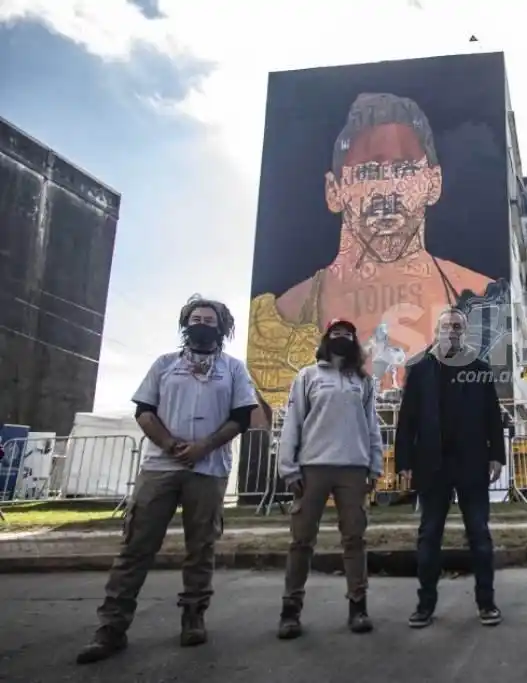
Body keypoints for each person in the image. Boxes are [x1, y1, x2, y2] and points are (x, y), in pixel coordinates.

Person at [247, 91, 501, 410]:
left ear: (433, 183)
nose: (387, 188)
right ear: (334, 190)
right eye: (367, 172)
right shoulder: (276, 324)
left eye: (405, 169)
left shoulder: (485, 296)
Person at [76, 296, 258, 665]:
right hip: (160, 467)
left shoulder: (234, 369)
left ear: (221, 327)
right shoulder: (164, 365)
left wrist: (203, 447)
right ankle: (111, 628)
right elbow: (144, 411)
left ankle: (193, 617)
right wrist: (171, 444)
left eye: (209, 319)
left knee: (201, 547)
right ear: (185, 324)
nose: (201, 323)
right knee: (135, 547)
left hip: (208, 470)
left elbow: (241, 417)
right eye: (195, 318)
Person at [395, 308, 505, 628]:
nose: (452, 331)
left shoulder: (479, 368)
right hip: (431, 466)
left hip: (471, 464)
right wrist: (404, 461)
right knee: (429, 535)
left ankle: (487, 603)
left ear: (464, 332)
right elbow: (408, 419)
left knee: (479, 535)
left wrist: (496, 454)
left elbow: (492, 416)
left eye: (458, 326)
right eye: (447, 326)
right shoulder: (420, 369)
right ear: (438, 330)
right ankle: (424, 605)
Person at [275, 318, 384, 639]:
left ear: (355, 342)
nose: (342, 337)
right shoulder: (307, 376)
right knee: (301, 541)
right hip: (312, 469)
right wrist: (288, 468)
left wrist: (374, 466)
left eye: (348, 334)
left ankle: (358, 607)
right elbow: (292, 423)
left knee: (354, 540)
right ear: (326, 339)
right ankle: (290, 611)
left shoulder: (362, 381)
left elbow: (372, 427)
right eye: (336, 333)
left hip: (353, 469)